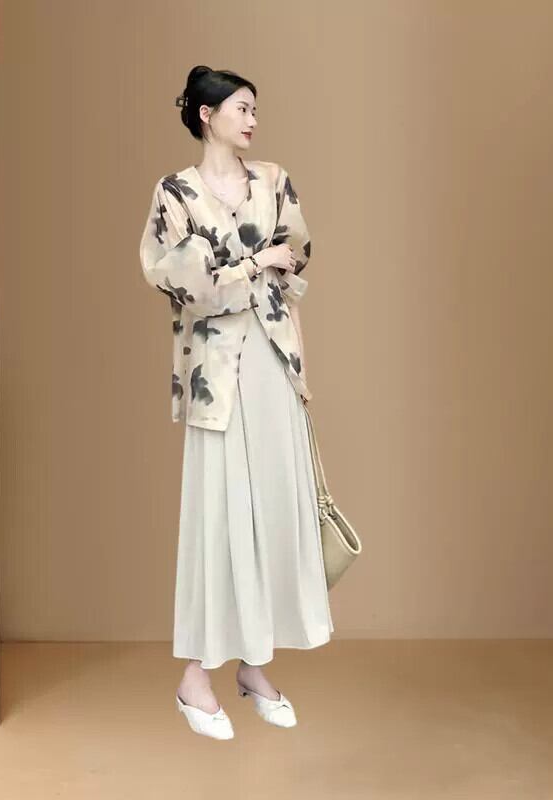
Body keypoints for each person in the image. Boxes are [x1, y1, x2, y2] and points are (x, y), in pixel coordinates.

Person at [139, 65, 333, 739]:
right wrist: (256, 262)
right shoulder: (175, 194)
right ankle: (195, 678)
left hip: (274, 360)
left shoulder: (274, 181)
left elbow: (295, 264)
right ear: (206, 114)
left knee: (274, 509)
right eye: (241, 108)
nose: (252, 119)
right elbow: (192, 287)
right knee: (220, 517)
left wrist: (302, 371)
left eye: (254, 109)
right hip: (215, 378)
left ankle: (253, 666)